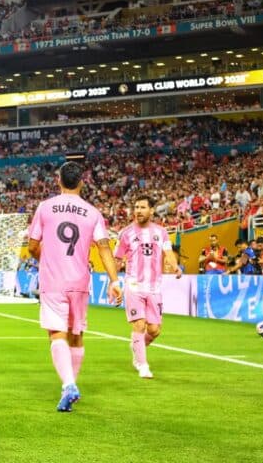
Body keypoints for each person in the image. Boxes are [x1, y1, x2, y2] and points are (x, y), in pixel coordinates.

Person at [27, 161, 121, 412]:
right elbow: (104, 248)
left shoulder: (45, 208)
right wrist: (114, 281)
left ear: (58, 180)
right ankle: (70, 385)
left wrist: (45, 260)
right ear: (81, 182)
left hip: (53, 281)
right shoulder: (93, 213)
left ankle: (69, 385)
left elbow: (33, 246)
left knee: (57, 333)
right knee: (76, 335)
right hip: (80, 280)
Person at [115, 195, 178, 380]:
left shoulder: (161, 232)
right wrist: (114, 282)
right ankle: (142, 365)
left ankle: (137, 346)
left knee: (154, 330)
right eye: (136, 207)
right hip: (133, 285)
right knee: (139, 324)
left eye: (142, 207)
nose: (138, 211)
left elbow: (168, 253)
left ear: (151, 210)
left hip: (154, 287)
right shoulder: (126, 233)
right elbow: (117, 260)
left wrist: (175, 267)